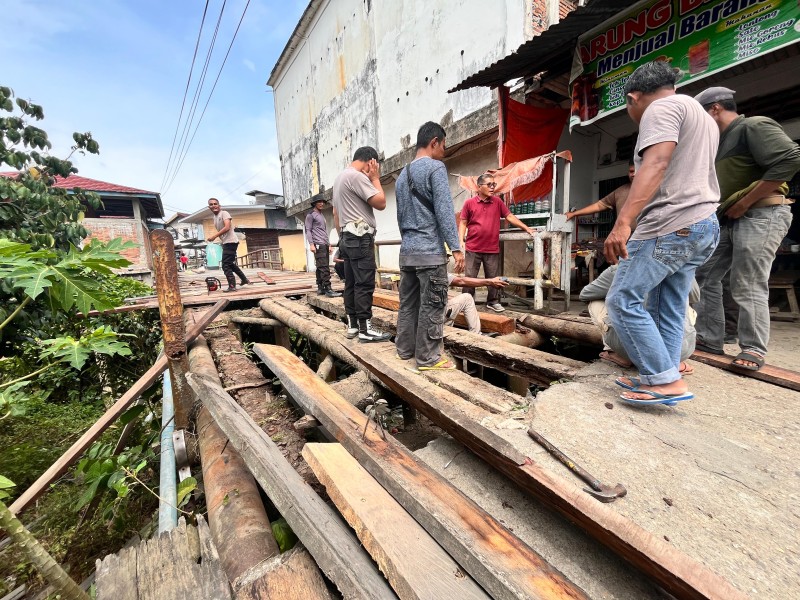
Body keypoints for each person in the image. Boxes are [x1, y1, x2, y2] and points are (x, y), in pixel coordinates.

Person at [603, 61, 720, 406]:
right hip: (703, 223)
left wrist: (623, 223)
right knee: (669, 305)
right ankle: (664, 375)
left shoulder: (661, 108)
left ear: (633, 97)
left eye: (628, 106)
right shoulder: (699, 113)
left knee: (622, 300)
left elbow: (656, 163)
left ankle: (665, 381)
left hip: (670, 224)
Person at [692, 86, 800, 371]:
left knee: (747, 280)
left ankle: (753, 348)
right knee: (704, 275)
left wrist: (746, 202)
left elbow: (791, 158)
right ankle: (709, 338)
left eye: (700, 115)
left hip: (761, 212)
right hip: (729, 217)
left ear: (715, 108)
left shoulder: (753, 125)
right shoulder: (719, 141)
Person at [395, 121, 464, 370]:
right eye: (443, 146)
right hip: (430, 253)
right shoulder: (436, 168)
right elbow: (445, 212)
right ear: (434, 142)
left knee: (408, 303)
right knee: (433, 305)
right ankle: (428, 358)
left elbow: (401, 216)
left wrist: (408, 241)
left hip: (408, 252)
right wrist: (455, 247)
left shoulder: (402, 174)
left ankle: (404, 350)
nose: (444, 151)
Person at [579, 264, 698, 374]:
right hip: (684, 349)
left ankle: (617, 352)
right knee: (680, 303)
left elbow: (585, 295)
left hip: (633, 350)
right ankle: (673, 361)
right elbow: (695, 297)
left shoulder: (623, 268)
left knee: (600, 302)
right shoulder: (681, 265)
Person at [332, 146, 391, 343]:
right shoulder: (357, 177)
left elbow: (335, 214)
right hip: (360, 237)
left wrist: (342, 238)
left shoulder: (340, 178)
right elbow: (381, 203)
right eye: (374, 165)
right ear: (370, 162)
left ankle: (353, 325)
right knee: (364, 283)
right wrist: (375, 178)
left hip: (347, 237)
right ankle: (366, 329)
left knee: (351, 282)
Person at [458, 173, 534, 312]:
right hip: (473, 247)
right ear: (479, 187)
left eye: (494, 184)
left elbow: (509, 216)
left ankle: (492, 302)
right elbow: (463, 222)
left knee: (493, 277)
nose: (492, 187)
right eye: (489, 185)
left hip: (491, 248)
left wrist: (527, 228)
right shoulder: (469, 203)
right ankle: (466, 302)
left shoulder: (497, 202)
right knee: (470, 277)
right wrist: (460, 240)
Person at [565, 159, 635, 222]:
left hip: (644, 235)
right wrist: (574, 214)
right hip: (625, 235)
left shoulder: (646, 192)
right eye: (631, 171)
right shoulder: (620, 192)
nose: (634, 174)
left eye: (637, 171)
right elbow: (599, 206)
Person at [206, 197, 250, 292]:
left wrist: (214, 236)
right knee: (229, 264)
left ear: (219, 205)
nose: (213, 206)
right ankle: (244, 279)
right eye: (211, 204)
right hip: (226, 242)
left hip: (231, 242)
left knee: (225, 265)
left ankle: (232, 286)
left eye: (215, 204)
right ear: (209, 207)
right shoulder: (214, 217)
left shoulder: (224, 213)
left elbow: (227, 227)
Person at [304, 194, 341, 298]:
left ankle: (320, 288)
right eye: (319, 202)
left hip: (324, 244)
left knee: (320, 267)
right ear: (314, 203)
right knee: (324, 267)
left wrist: (329, 244)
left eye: (322, 202)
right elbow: (308, 230)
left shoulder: (321, 215)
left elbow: (324, 231)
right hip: (318, 244)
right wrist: (311, 244)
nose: (321, 203)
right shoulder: (311, 215)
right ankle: (328, 289)